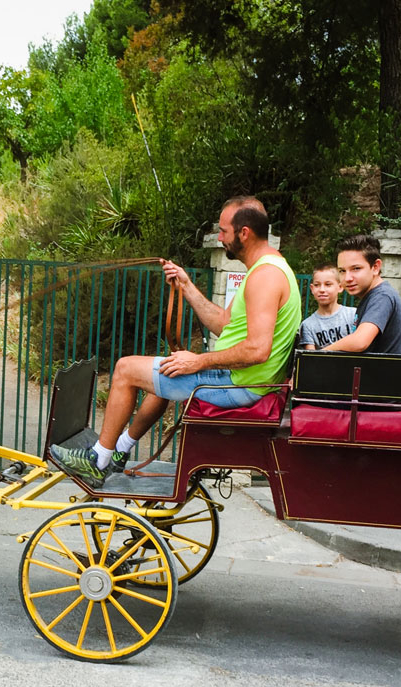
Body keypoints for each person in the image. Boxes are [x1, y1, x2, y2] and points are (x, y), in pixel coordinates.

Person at [48, 196, 301, 489]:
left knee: (125, 369)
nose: (220, 238)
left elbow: (258, 349)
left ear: (244, 233)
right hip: (243, 380)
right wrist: (186, 285)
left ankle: (98, 460)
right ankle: (120, 450)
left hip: (238, 384)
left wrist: (198, 361)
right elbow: (223, 323)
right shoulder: (268, 269)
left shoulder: (265, 276)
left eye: (223, 231)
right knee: (168, 367)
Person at [322, 234, 401, 354]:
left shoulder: (382, 296)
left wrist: (320, 354)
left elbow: (360, 342)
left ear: (375, 267)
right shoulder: (372, 296)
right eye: (342, 271)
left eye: (356, 268)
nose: (347, 278)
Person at [298, 264, 356, 350]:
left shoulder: (353, 315)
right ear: (312, 289)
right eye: (317, 285)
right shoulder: (307, 325)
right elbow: (310, 356)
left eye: (328, 284)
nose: (322, 290)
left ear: (340, 287)